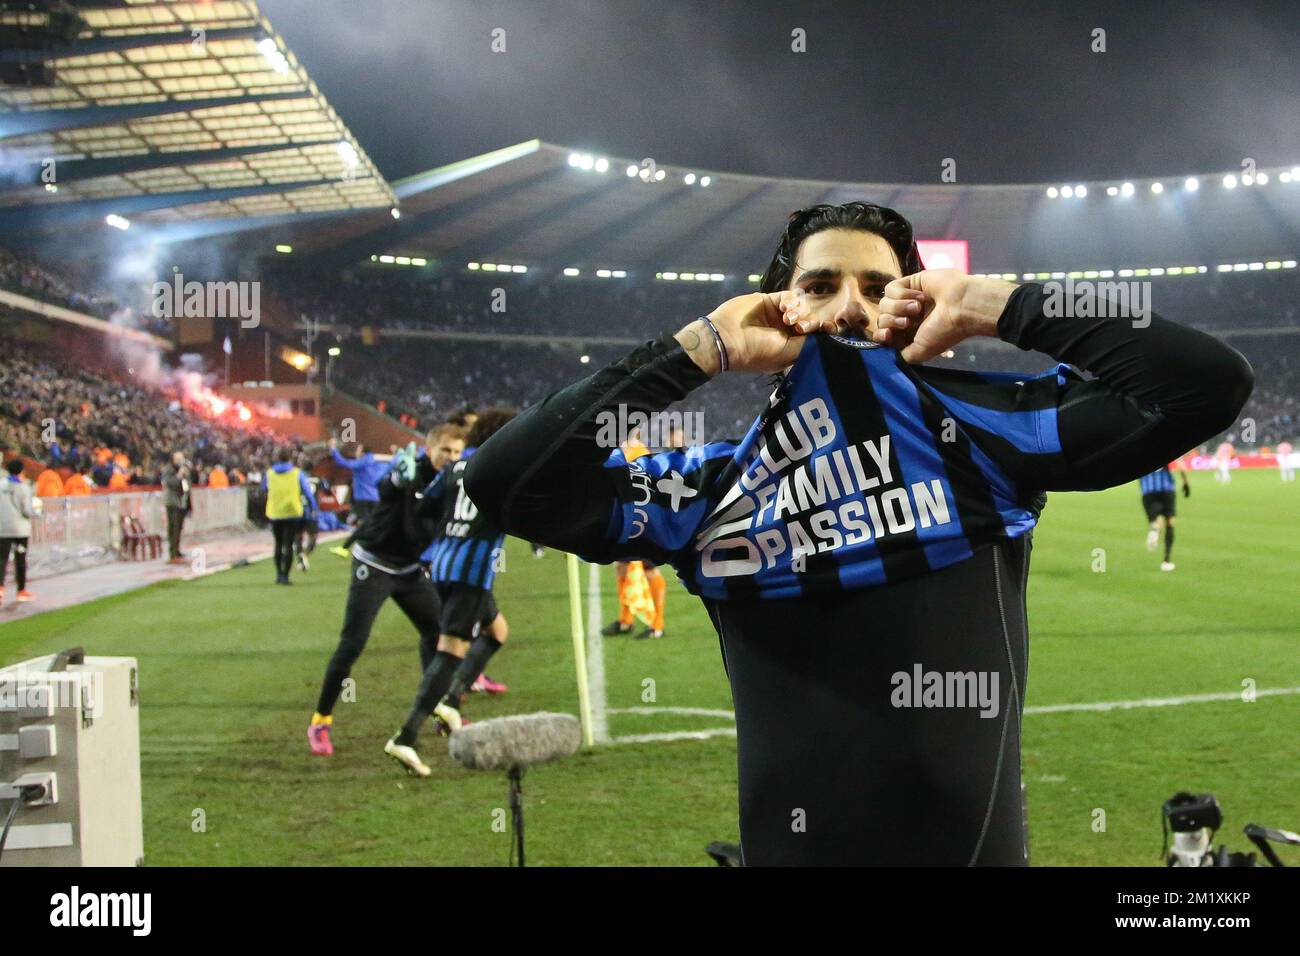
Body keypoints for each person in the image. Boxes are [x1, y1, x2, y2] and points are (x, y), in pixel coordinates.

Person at [462, 201, 1253, 865]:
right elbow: (506, 481)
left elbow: (1205, 383)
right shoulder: (707, 493)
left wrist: (995, 304)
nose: (849, 307)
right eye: (820, 284)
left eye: (878, 287)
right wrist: (699, 349)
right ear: (778, 310)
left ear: (912, 304)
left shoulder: (979, 433)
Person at [307, 431, 450, 774]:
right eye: (445, 448)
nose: (450, 455)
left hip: (410, 568)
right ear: (429, 448)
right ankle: (320, 720)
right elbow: (390, 486)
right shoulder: (404, 473)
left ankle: (435, 706)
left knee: (440, 634)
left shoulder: (451, 482)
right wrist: (401, 477)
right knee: (352, 644)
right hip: (374, 566)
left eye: (456, 450)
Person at [387, 409, 518, 762]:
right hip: (470, 573)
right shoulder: (502, 470)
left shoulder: (454, 469)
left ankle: (450, 700)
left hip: (442, 564)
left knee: (497, 632)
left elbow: (425, 507)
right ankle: (407, 735)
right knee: (450, 651)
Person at [599, 432, 669, 639]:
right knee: (621, 567)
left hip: (642, 523)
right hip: (624, 522)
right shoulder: (620, 452)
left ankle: (657, 625)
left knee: (648, 570)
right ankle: (625, 620)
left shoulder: (640, 453)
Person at [327, 439, 389, 558]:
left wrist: (333, 449)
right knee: (371, 524)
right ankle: (374, 547)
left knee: (365, 524)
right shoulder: (376, 463)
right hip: (375, 498)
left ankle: (345, 547)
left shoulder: (362, 463)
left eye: (358, 450)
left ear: (363, 453)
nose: (356, 452)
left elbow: (343, 463)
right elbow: (388, 468)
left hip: (363, 499)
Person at [263, 448, 317, 585]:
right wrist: (313, 507)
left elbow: (263, 488)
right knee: (288, 544)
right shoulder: (297, 473)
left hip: (275, 512)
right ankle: (285, 576)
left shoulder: (269, 473)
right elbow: (307, 492)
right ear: (290, 459)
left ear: (277, 458)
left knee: (278, 543)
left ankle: (278, 575)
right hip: (293, 512)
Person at [1140, 459, 1190, 571]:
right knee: (1170, 523)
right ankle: (1166, 560)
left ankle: (1155, 526)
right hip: (1167, 488)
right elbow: (1181, 466)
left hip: (1147, 489)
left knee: (1156, 519)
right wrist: (1185, 483)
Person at [0, 458, 35, 604]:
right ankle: (21, 590)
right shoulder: (24, 487)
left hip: (2, 528)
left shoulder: (1, 485)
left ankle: (0, 589)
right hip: (20, 529)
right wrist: (36, 513)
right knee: (20, 559)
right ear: (21, 471)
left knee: (1, 560)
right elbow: (26, 510)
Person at [161, 451, 191, 564]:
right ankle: (172, 553)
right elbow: (170, 483)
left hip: (181, 503)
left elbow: (187, 483)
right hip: (172, 503)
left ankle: (177, 550)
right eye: (178, 459)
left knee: (179, 528)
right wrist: (179, 475)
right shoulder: (168, 470)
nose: (180, 461)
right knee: (173, 528)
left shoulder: (183, 469)